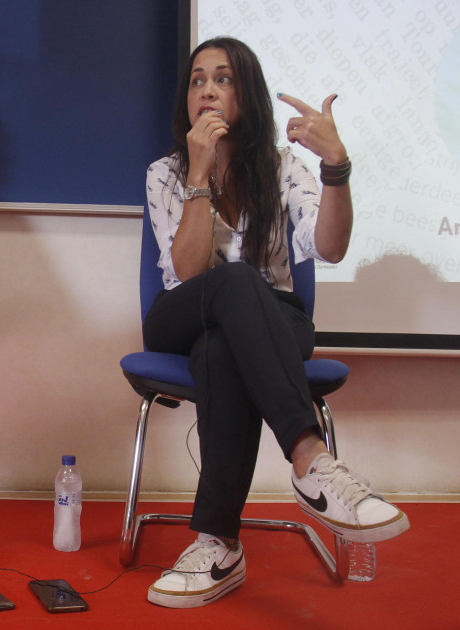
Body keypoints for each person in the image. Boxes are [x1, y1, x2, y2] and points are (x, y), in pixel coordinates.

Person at [141, 37, 408, 609]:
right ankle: (311, 460)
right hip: (181, 315)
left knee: (223, 351)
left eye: (224, 79)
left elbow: (329, 248)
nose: (208, 90)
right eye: (197, 80)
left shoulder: (283, 167)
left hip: (266, 323)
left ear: (248, 94)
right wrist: (200, 169)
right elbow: (188, 269)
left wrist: (335, 167)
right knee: (237, 282)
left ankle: (218, 545)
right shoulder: (165, 173)